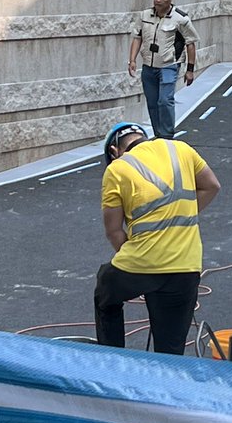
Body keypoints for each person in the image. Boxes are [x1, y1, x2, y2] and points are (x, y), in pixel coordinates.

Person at [94, 122, 221, 354]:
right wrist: (179, 218)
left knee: (106, 290)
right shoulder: (181, 149)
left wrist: (139, 268)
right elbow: (212, 186)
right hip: (186, 266)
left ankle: (112, 360)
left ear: (114, 151)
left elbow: (113, 231)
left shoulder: (116, 168)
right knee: (170, 352)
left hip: (142, 263)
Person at [128, 0, 199, 138]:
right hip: (148, 66)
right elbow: (137, 37)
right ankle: (158, 135)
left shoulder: (180, 18)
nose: (158, 0)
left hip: (169, 65)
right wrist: (132, 60)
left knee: (165, 101)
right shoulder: (145, 15)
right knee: (152, 103)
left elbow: (191, 44)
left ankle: (167, 136)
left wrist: (190, 70)